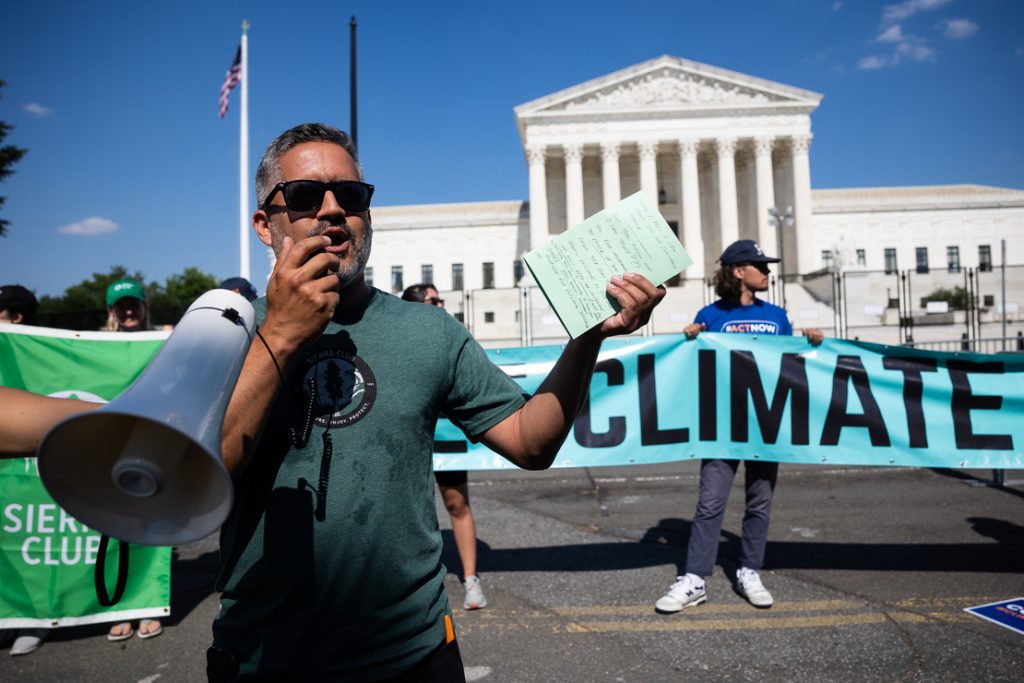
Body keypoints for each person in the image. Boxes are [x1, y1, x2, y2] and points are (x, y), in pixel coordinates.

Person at [212, 122, 664, 681]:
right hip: (267, 659)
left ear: (367, 216)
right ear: (265, 223)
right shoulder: (221, 330)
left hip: (413, 655)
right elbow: (195, 477)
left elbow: (530, 441)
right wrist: (280, 332)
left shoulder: (429, 332)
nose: (333, 211)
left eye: (351, 196)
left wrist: (587, 336)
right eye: (306, 196)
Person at [655, 239, 823, 614]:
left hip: (765, 423)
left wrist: (811, 344)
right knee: (710, 503)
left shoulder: (777, 315)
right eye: (759, 266)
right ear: (737, 271)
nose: (767, 272)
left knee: (759, 502)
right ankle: (695, 578)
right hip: (723, 424)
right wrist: (687, 340)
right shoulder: (710, 315)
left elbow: (789, 365)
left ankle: (749, 570)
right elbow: (691, 365)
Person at [403, 283, 488, 610]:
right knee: (406, 511)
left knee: (457, 506)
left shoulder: (451, 337)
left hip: (446, 436)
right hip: (410, 439)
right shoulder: (401, 343)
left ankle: (471, 580)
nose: (441, 304)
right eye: (433, 300)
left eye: (440, 299)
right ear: (415, 307)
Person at [101, 278, 162, 640]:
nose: (128, 311)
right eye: (120, 306)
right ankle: (121, 604)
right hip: (110, 446)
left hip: (151, 446)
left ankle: (149, 605)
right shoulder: (95, 347)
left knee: (153, 523)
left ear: (144, 307)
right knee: (111, 526)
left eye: (133, 304)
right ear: (110, 312)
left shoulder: (162, 343)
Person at [0, 286, 50, 656]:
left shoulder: (41, 355)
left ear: (16, 317)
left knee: (32, 538)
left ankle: (31, 617)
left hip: (30, 473)